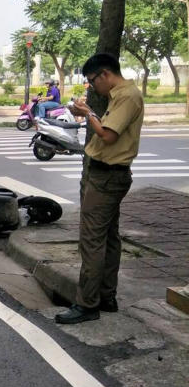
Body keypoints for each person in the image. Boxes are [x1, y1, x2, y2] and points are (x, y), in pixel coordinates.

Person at [55, 53, 144, 324]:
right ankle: (106, 296)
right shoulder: (119, 95)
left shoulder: (127, 96)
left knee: (92, 240)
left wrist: (88, 114)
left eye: (93, 81)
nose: (93, 86)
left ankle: (87, 304)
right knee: (109, 237)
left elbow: (108, 135)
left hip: (106, 177)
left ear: (105, 74)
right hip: (109, 175)